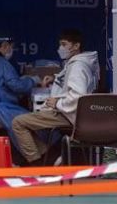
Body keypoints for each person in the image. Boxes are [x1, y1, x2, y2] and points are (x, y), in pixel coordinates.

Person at [11, 29, 99, 165]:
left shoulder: (77, 66)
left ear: (76, 46)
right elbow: (69, 81)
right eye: (60, 45)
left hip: (69, 114)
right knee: (27, 122)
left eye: (64, 44)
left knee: (18, 123)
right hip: (74, 114)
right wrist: (54, 78)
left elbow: (78, 96)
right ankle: (50, 159)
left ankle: (37, 163)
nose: (61, 48)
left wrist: (57, 102)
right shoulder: (80, 63)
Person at [0, 35, 37, 141]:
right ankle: (39, 156)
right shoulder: (1, 62)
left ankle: (36, 155)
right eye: (11, 47)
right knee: (35, 123)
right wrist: (33, 81)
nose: (11, 50)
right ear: (5, 46)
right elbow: (17, 86)